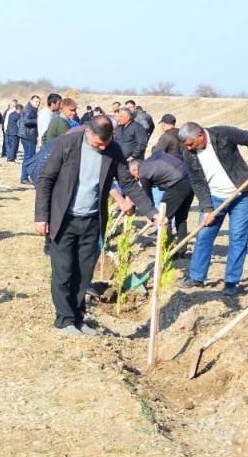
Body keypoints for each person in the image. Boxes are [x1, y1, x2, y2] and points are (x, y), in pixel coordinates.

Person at [34, 116, 158, 335]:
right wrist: (41, 216)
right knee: (63, 272)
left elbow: (128, 182)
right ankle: (65, 320)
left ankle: (79, 318)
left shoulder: (113, 149)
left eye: (106, 142)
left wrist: (151, 211)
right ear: (87, 133)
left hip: (92, 220)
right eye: (99, 143)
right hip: (63, 219)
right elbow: (45, 178)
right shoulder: (67, 144)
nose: (102, 147)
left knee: (84, 272)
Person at [176, 122, 248, 297]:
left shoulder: (222, 134)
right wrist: (206, 208)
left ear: (200, 135)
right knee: (204, 235)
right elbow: (197, 182)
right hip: (214, 198)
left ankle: (231, 281)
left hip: (241, 194)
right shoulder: (189, 154)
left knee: (238, 237)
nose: (188, 147)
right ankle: (196, 277)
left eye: (190, 143)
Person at [129, 150, 194, 254]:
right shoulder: (155, 156)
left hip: (177, 184)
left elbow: (147, 199)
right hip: (190, 180)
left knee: (164, 218)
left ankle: (164, 251)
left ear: (134, 168)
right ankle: (181, 250)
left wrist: (152, 215)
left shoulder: (143, 173)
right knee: (181, 218)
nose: (136, 178)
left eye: (133, 175)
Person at [18, 95, 40, 181]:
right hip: (27, 136)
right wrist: (39, 120)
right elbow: (26, 122)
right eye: (36, 101)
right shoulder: (28, 110)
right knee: (29, 157)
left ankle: (25, 176)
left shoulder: (32, 109)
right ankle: (24, 177)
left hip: (29, 135)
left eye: (39, 102)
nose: (37, 104)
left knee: (29, 156)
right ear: (31, 101)